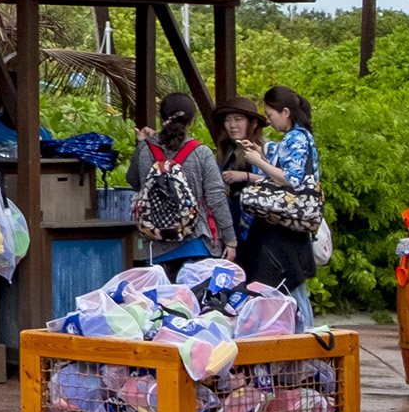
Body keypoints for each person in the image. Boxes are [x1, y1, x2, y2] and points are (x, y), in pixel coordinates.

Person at [228, 83, 320, 327]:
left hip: (285, 226)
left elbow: (291, 179)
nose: (270, 121)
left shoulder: (296, 138)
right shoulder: (297, 137)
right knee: (291, 290)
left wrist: (258, 160)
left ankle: (305, 341)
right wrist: (262, 154)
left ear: (286, 112)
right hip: (288, 225)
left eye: (270, 115)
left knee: (292, 292)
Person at [128, 91, 234, 278]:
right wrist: (230, 240)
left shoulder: (146, 149)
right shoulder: (201, 152)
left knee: (161, 304)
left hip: (155, 247)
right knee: (195, 304)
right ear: (191, 121)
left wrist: (141, 145)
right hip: (196, 243)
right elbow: (216, 198)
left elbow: (134, 181)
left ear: (161, 117)